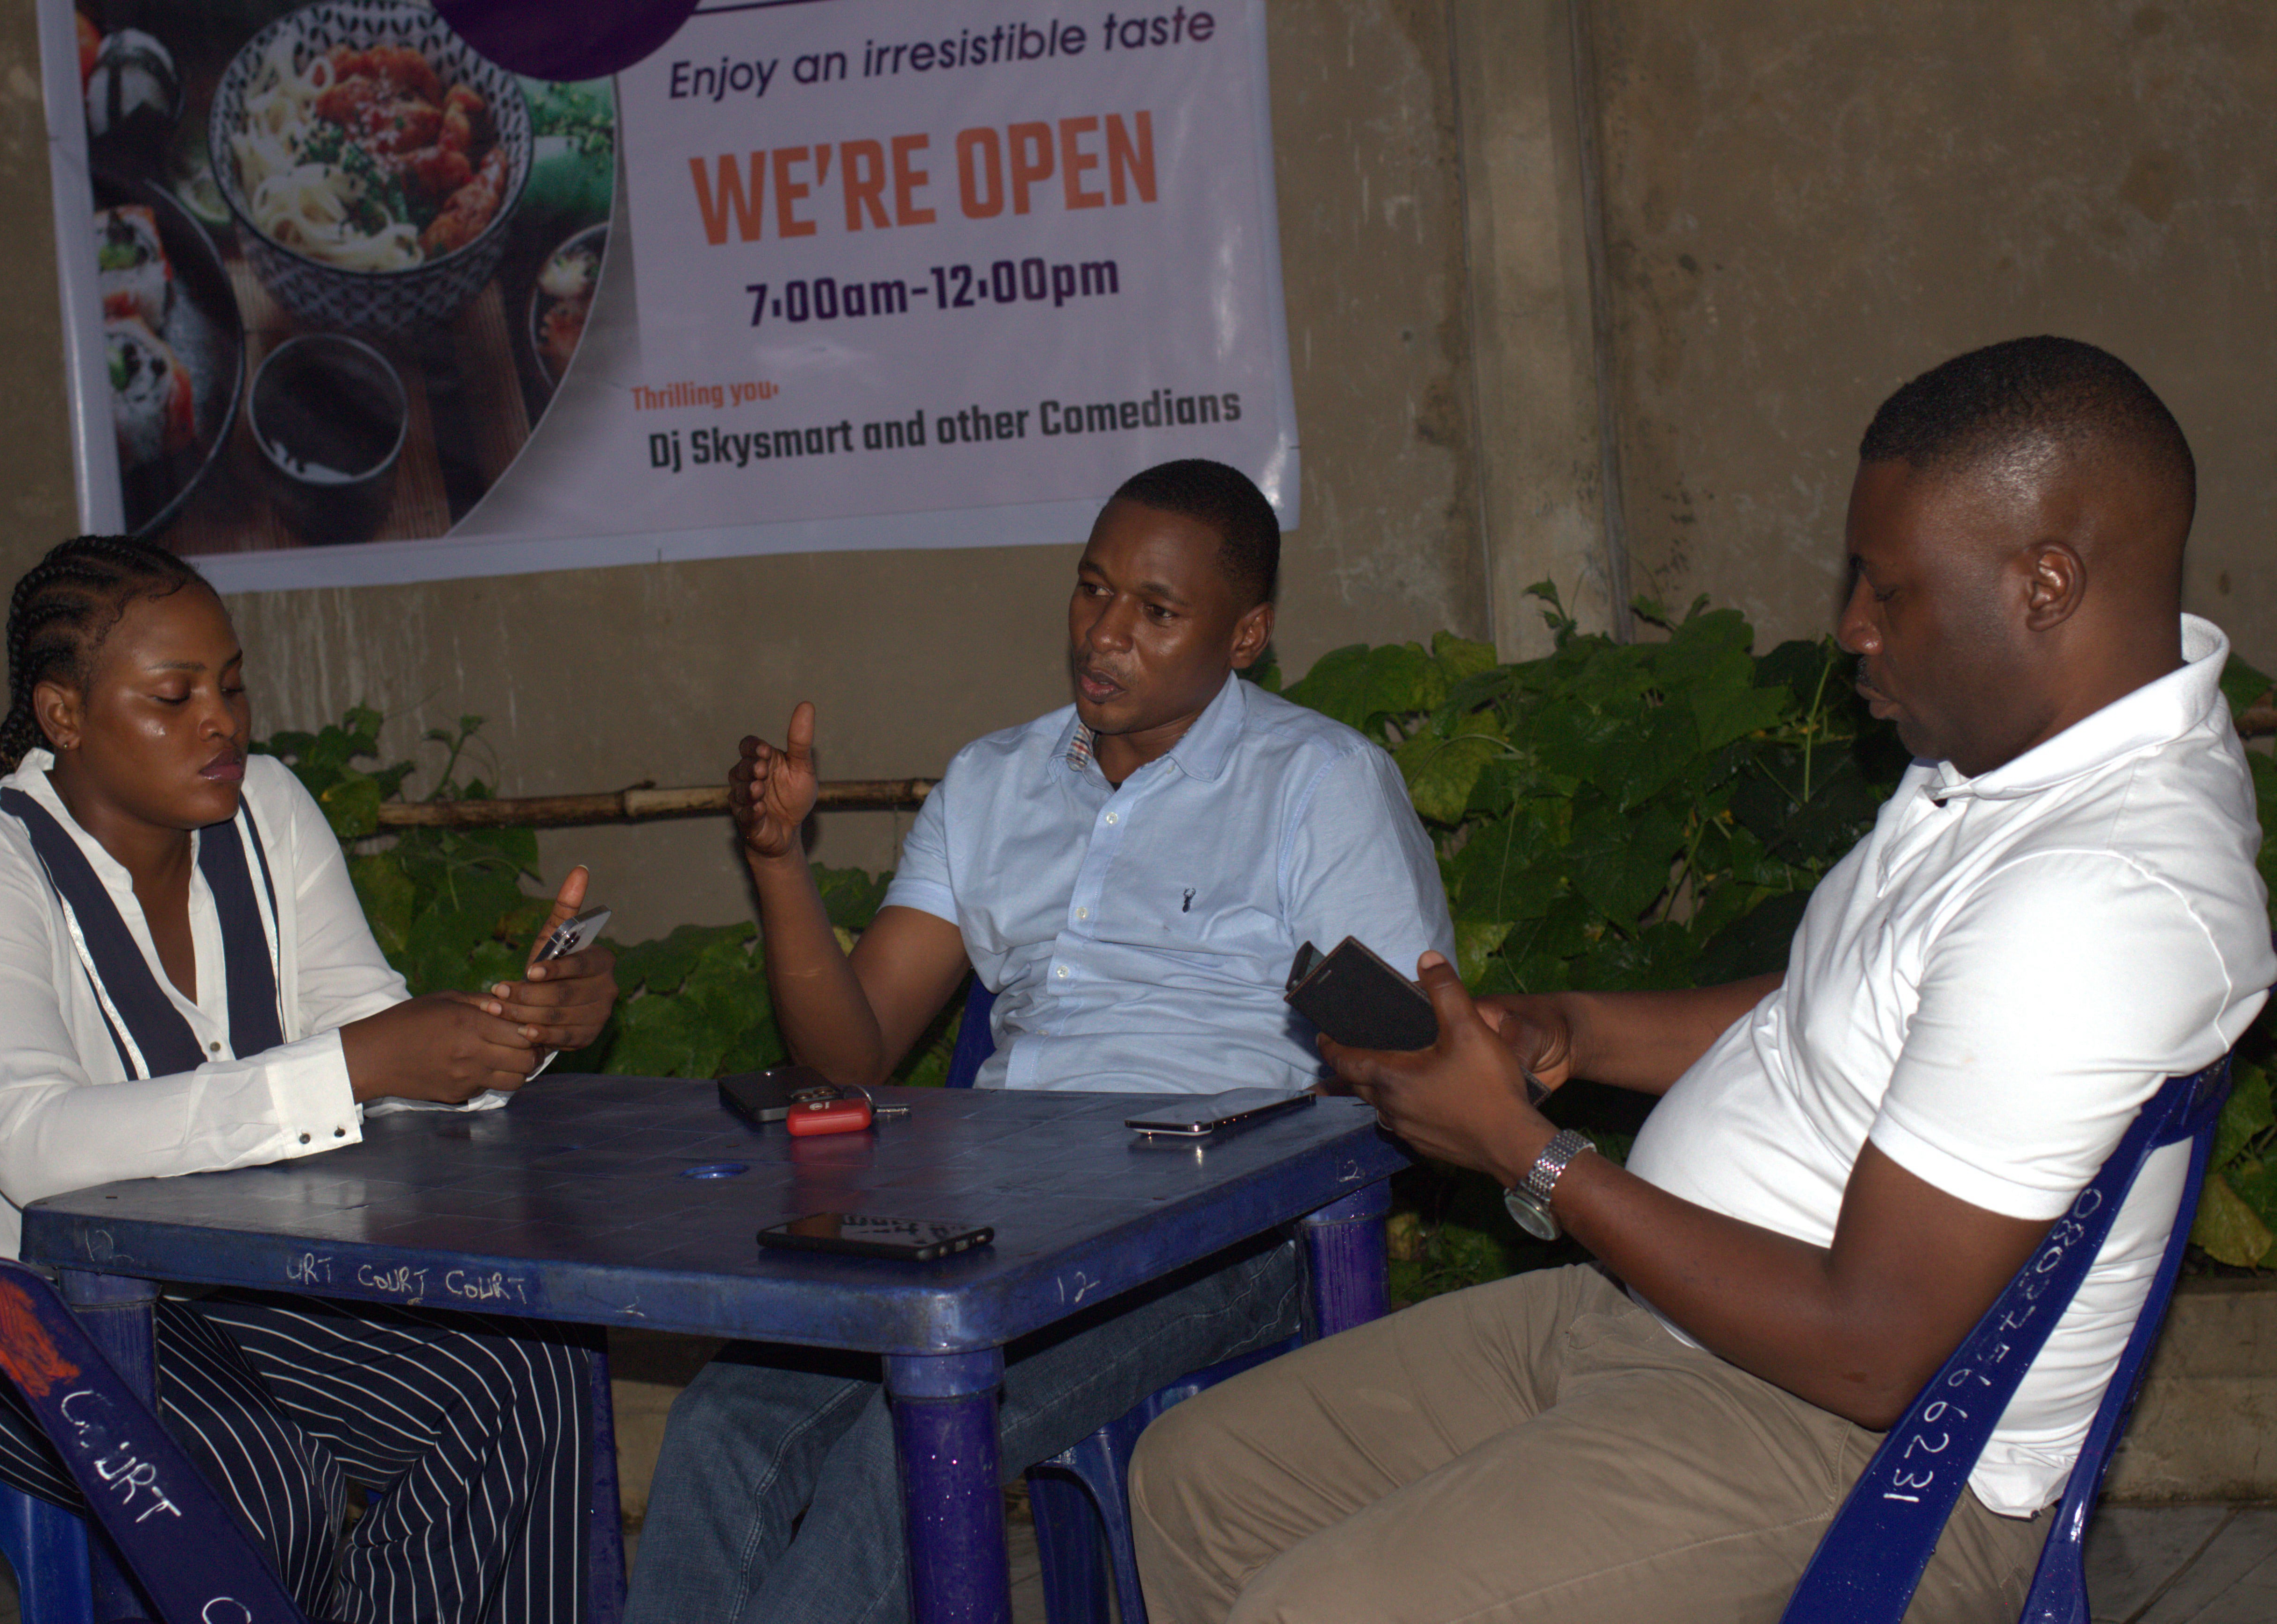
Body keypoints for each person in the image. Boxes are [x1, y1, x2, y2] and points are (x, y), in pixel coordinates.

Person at [1127, 337, 2277, 1624]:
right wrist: (1570, 1030)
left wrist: (1531, 1152)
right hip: (1675, 1326)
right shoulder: (2014, 756)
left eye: (1888, 592)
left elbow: (1873, 1350)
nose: (1850, 625)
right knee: (1195, 1476)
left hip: (1861, 1450)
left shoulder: (2103, 895)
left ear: (2046, 584)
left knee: (1319, 1607)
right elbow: (1826, 1007)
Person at [624, 459, 1454, 1624]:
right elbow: (851, 1051)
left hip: (1215, 1225)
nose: (1105, 635)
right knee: (725, 1422)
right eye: (1092, 590)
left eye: (1157, 612)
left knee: (907, 1452)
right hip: (996, 1211)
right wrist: (777, 862)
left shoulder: (1319, 786)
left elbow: (1413, 1058)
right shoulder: (994, 781)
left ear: (1248, 633)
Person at [0, 536, 621, 1624]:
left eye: (233, 683)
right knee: (254, 1483)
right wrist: (358, 1062)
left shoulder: (266, 811)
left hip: (207, 1291)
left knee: (512, 1381)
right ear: (62, 716)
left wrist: (508, 1036)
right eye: (173, 695)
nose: (222, 720)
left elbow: (366, 1038)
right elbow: (34, 1143)